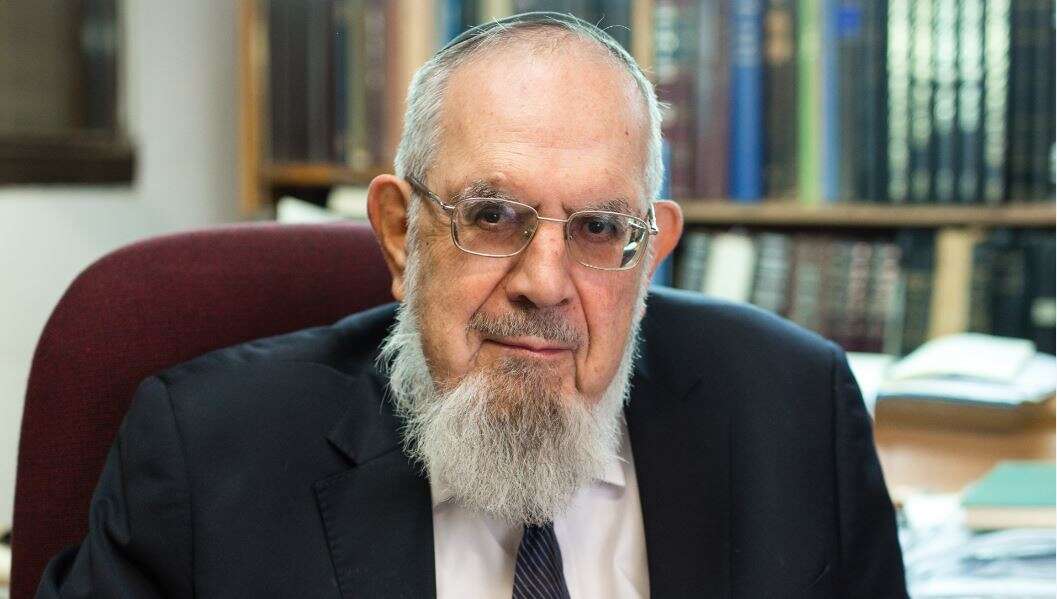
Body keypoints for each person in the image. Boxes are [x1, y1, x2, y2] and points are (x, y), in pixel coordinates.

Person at [38, 12, 906, 598]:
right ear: (398, 233)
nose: (544, 281)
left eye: (600, 227)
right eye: (492, 216)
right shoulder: (206, 453)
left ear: (649, 254)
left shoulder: (796, 412)